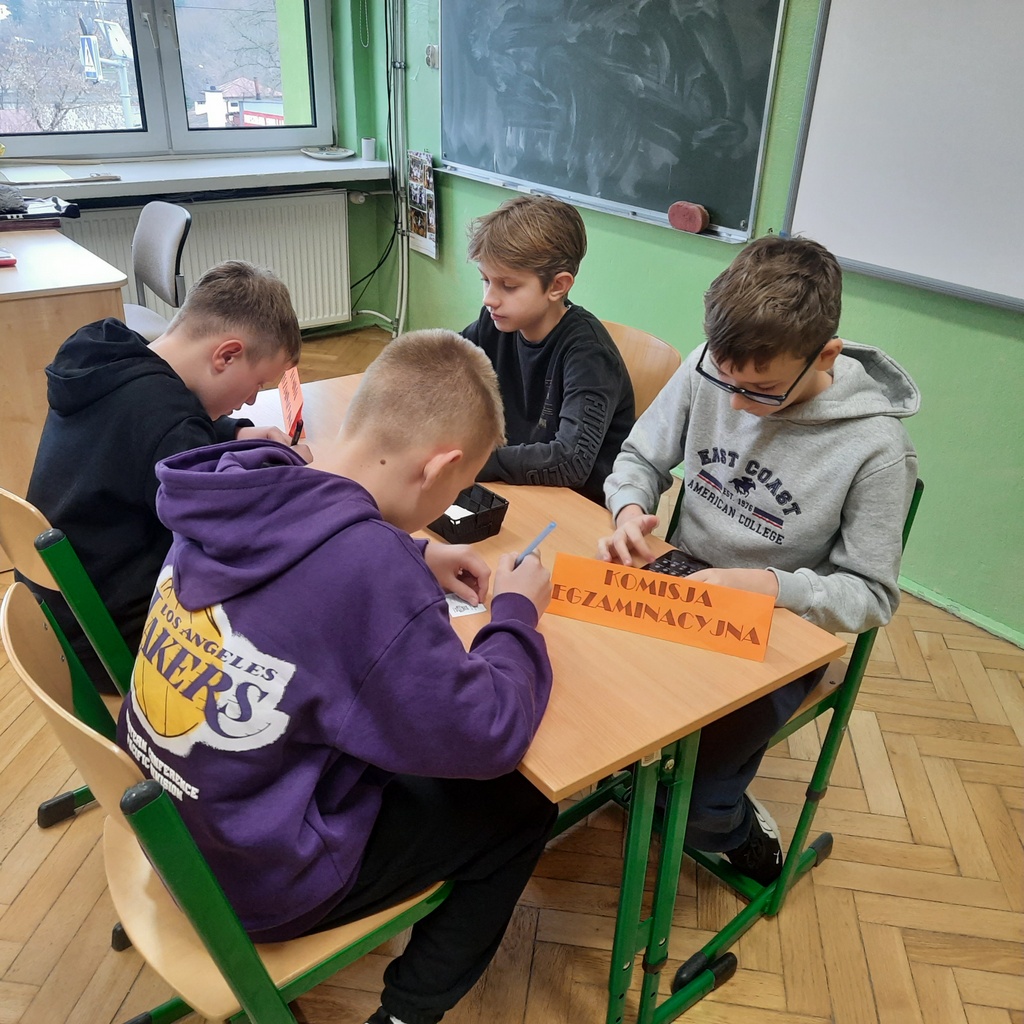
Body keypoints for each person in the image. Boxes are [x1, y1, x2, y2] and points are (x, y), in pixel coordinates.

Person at [116, 329, 557, 1024]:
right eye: (460, 486)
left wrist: (414, 553)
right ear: (441, 466)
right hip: (257, 878)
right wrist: (515, 615)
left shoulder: (238, 484)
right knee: (521, 809)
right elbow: (490, 732)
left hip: (174, 829)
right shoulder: (367, 572)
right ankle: (406, 1014)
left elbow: (308, 560)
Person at [598, 235, 920, 884]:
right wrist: (629, 509)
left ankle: (735, 829)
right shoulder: (708, 368)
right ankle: (651, 783)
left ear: (825, 355)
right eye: (728, 382)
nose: (738, 405)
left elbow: (871, 596)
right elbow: (638, 458)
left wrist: (771, 587)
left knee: (699, 802)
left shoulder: (878, 450)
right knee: (595, 697)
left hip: (782, 627)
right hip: (681, 578)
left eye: (763, 390)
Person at [23, 259, 303, 694]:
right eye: (259, 384)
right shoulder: (170, 425)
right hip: (110, 640)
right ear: (227, 355)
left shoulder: (112, 358)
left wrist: (233, 432)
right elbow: (229, 534)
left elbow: (146, 433)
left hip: (56, 615)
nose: (250, 400)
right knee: (289, 609)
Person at [461, 193, 635, 505]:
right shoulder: (495, 322)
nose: (489, 298)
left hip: (577, 505)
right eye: (485, 280)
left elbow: (570, 461)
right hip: (516, 486)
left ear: (557, 286)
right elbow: (443, 366)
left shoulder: (589, 355)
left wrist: (474, 462)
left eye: (508, 286)